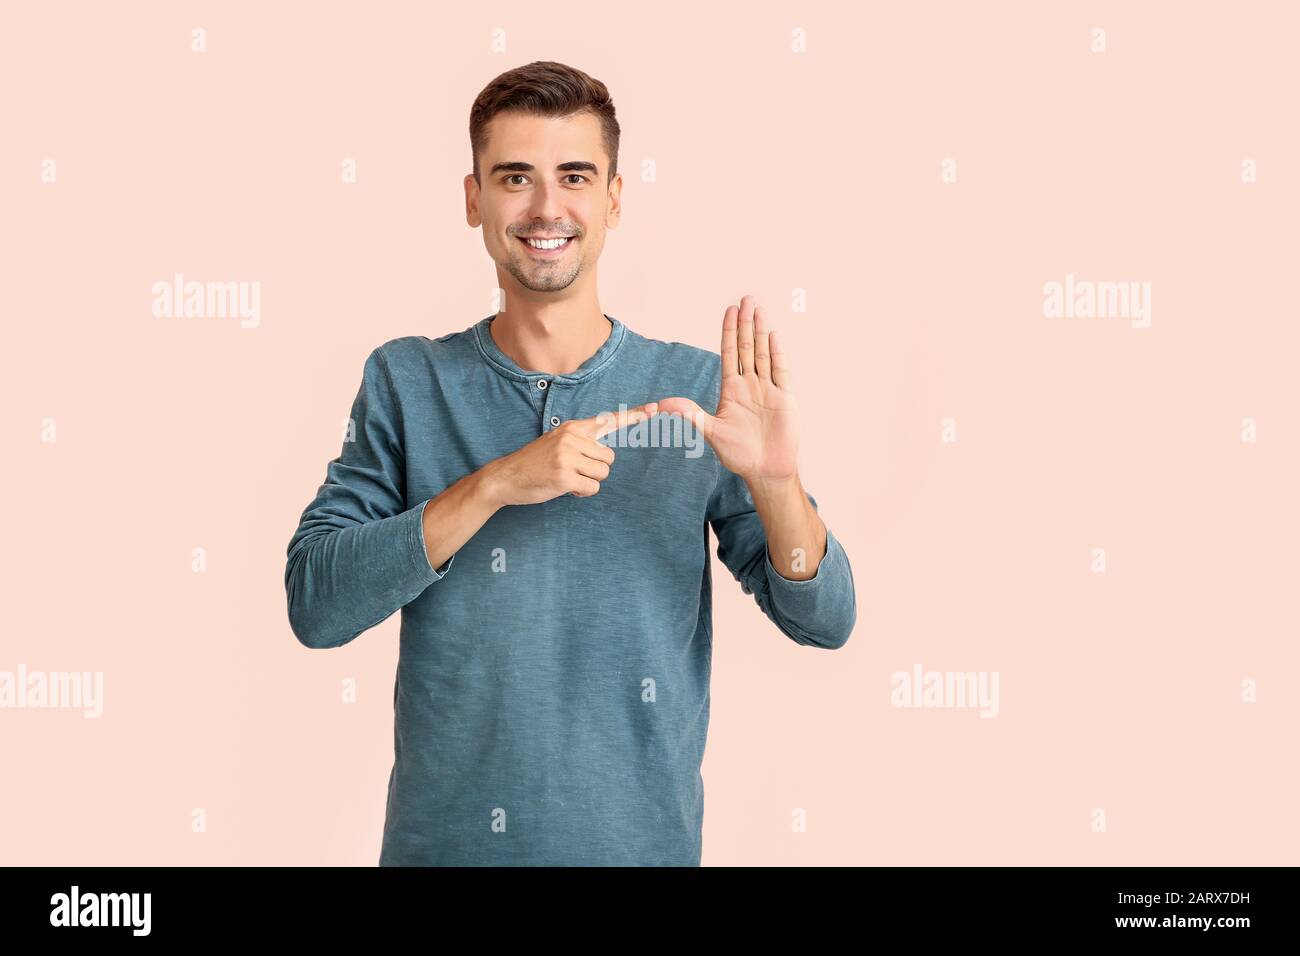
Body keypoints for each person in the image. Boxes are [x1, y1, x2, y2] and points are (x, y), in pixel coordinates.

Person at [284, 60, 857, 866]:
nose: (546, 208)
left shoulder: (697, 394)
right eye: (514, 177)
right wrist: (494, 485)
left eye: (575, 177)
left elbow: (825, 619)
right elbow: (317, 604)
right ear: (474, 199)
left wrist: (776, 484)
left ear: (614, 199)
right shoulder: (407, 380)